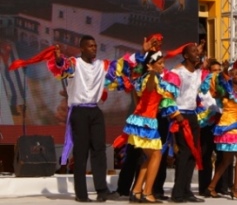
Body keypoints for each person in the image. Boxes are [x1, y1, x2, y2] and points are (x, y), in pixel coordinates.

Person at [47, 35, 148, 202]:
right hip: (79, 112)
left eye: (95, 46)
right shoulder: (75, 63)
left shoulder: (102, 65)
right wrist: (58, 60)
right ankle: (81, 193)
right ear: (82, 48)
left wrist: (142, 52)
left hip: (95, 111)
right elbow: (63, 68)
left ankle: (102, 190)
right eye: (90, 46)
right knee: (80, 152)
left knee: (99, 151)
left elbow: (124, 64)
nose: (94, 48)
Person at [124, 50, 181, 203]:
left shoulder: (149, 79)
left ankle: (136, 191)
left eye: (163, 63)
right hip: (145, 122)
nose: (163, 66)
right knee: (156, 154)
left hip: (144, 121)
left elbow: (143, 98)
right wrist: (151, 74)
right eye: (160, 63)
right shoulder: (150, 78)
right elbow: (149, 89)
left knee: (150, 157)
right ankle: (147, 192)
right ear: (150, 65)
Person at [201, 58, 237, 200]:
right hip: (228, 125)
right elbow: (221, 82)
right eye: (233, 74)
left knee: (226, 161)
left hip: (235, 125)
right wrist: (224, 70)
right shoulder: (227, 90)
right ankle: (235, 190)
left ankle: (211, 187)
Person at [169, 43, 205, 203]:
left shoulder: (197, 73)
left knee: (193, 153)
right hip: (181, 115)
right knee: (184, 153)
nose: (197, 54)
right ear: (185, 56)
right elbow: (168, 96)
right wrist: (176, 115)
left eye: (198, 52)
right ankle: (177, 193)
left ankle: (186, 190)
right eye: (194, 52)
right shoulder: (177, 73)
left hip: (192, 115)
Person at [197, 59, 233, 196]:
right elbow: (206, 104)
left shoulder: (224, 87)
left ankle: (221, 186)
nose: (217, 73)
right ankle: (204, 187)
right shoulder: (204, 88)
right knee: (206, 155)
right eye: (214, 70)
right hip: (207, 124)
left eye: (219, 70)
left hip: (222, 125)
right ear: (209, 72)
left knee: (223, 155)